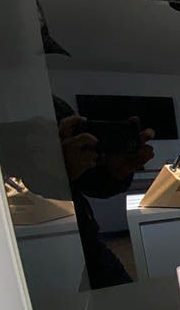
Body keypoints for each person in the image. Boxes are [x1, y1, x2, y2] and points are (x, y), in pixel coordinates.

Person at [54, 96, 154, 288]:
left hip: (87, 239)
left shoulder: (56, 107)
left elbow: (91, 185)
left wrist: (113, 173)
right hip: (64, 241)